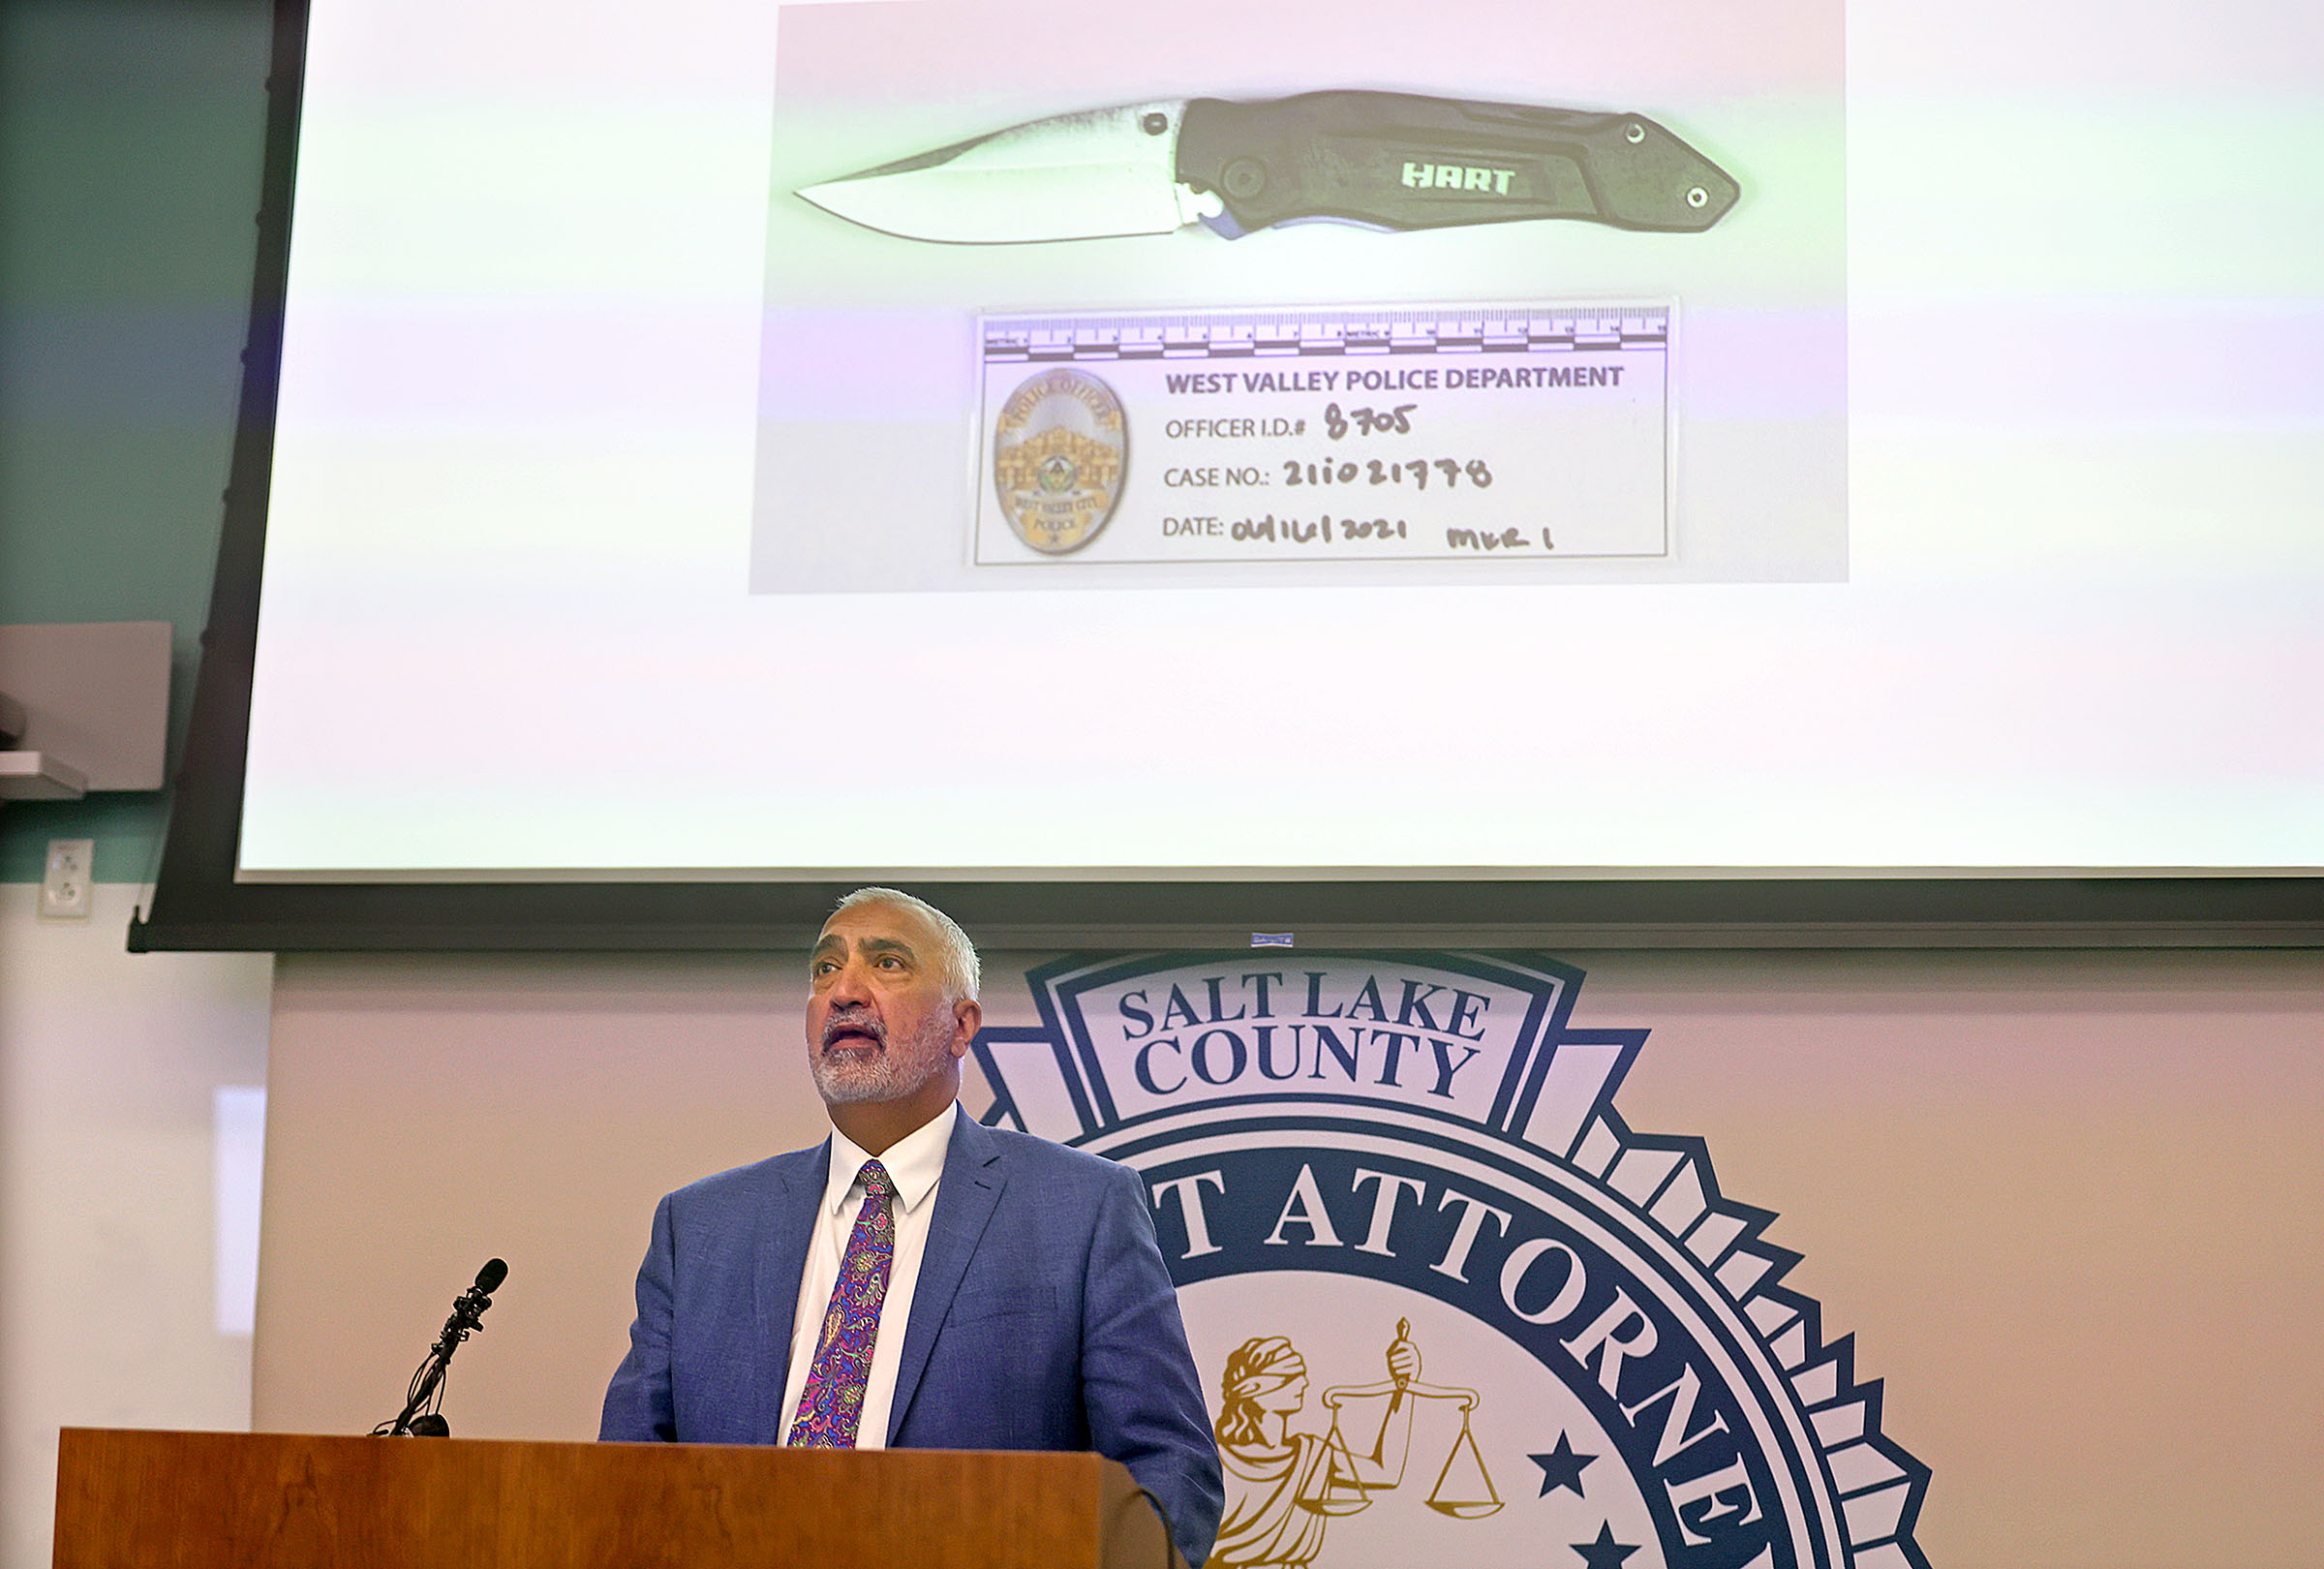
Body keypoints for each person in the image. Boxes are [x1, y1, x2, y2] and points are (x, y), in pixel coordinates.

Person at [600, 886, 1223, 1569]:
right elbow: (626, 1479)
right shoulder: (701, 1228)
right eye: (824, 968)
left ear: (961, 1026)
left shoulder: (1082, 1209)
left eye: (888, 963)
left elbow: (1170, 1469)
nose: (844, 991)